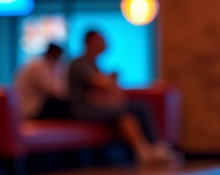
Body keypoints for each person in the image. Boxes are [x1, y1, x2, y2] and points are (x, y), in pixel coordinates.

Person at [68, 29, 181, 167]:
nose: (105, 43)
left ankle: (154, 147)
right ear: (90, 42)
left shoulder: (95, 65)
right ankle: (144, 151)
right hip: (83, 110)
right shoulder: (80, 63)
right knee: (125, 112)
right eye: (100, 40)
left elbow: (109, 92)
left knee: (139, 108)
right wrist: (111, 80)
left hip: (98, 108)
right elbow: (102, 85)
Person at [15, 43, 70, 120]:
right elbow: (51, 90)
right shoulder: (37, 66)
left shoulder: (52, 65)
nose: (60, 59)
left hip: (38, 106)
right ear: (52, 53)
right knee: (64, 105)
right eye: (58, 55)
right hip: (32, 109)